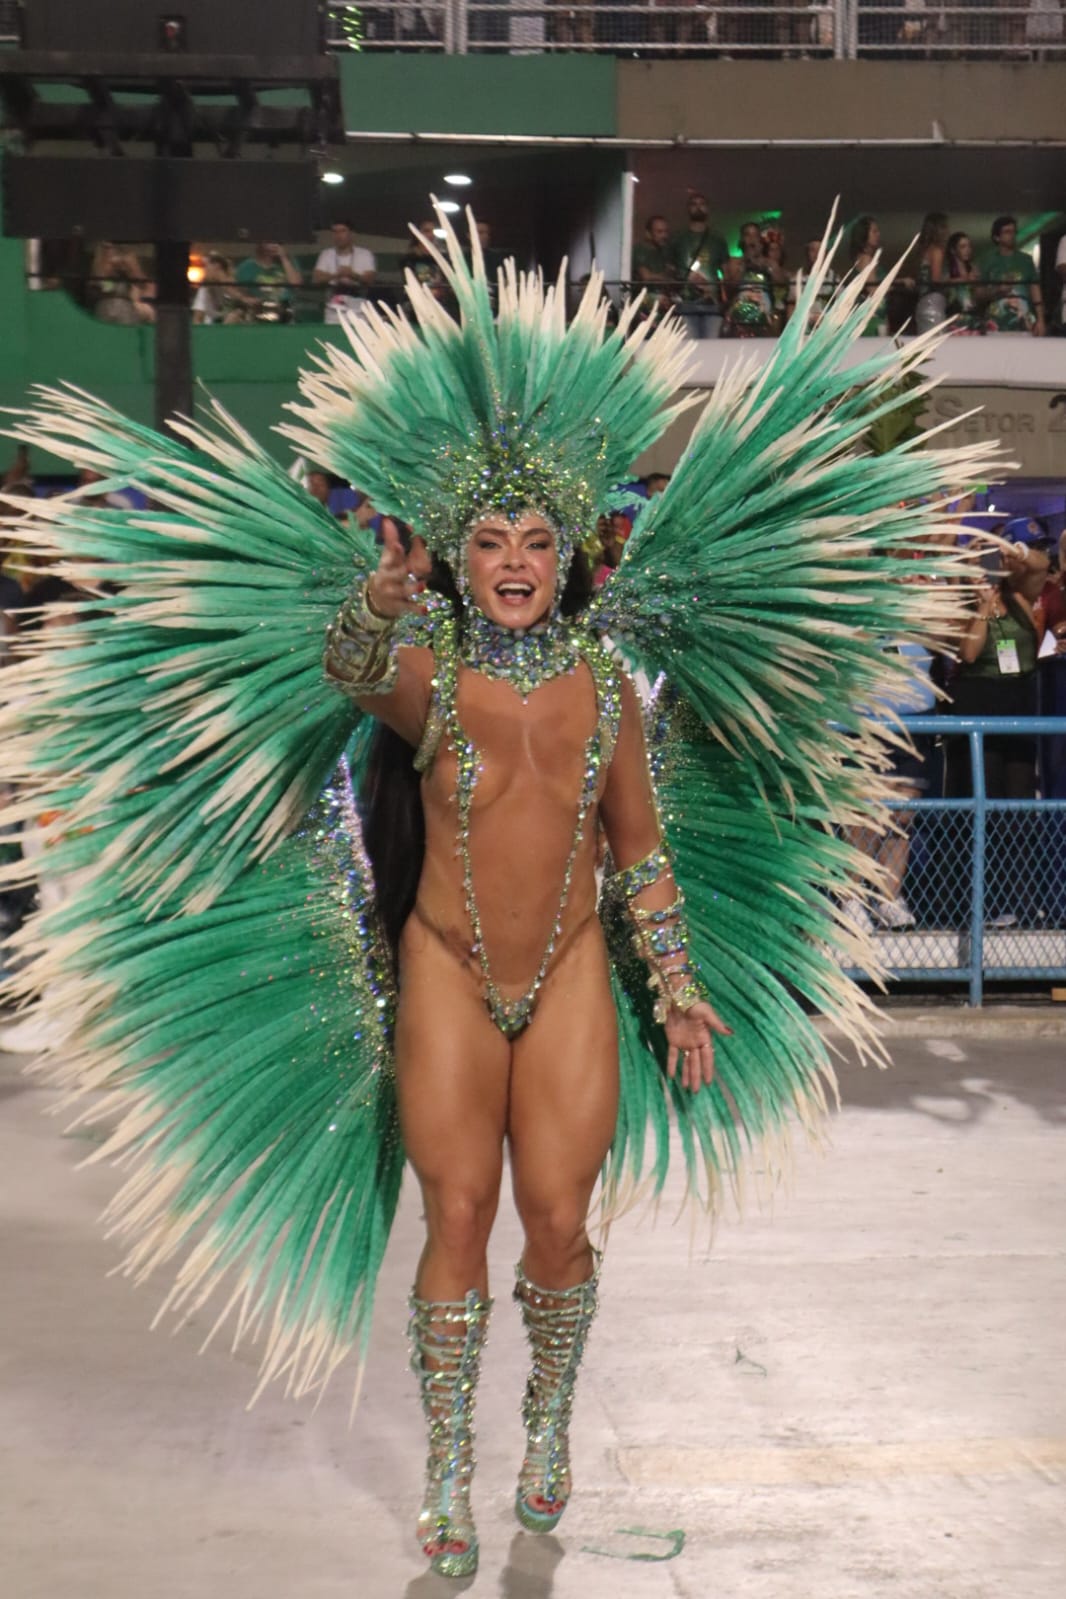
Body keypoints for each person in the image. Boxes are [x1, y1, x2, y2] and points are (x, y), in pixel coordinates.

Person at [0, 210, 1004, 1585]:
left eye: (535, 536)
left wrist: (681, 987)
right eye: (488, 540)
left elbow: (638, 851)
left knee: (558, 1222)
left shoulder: (606, 692)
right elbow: (352, 670)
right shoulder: (427, 673)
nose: (515, 559)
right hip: (445, 973)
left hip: (575, 972)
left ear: (569, 548)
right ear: (457, 557)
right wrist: (378, 594)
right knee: (457, 1215)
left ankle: (545, 1423)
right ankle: (443, 1464)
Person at [670, 191, 729, 339]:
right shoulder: (678, 238)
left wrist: (720, 295)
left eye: (702, 204)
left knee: (712, 346)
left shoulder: (717, 239)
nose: (698, 207)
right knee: (688, 347)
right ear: (688, 208)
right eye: (694, 204)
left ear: (707, 208)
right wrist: (684, 277)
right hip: (685, 302)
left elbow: (726, 272)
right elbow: (669, 267)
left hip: (712, 303)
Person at [978, 216, 1045, 336]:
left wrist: (1040, 319)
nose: (1012, 235)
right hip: (996, 321)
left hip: (1024, 319)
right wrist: (998, 290)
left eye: (1014, 232)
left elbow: (1035, 289)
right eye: (1007, 232)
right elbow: (979, 294)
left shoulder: (1026, 260)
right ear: (997, 237)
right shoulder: (987, 261)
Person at [313, 221, 375, 325]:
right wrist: (336, 275)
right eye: (335, 232)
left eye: (342, 231)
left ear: (352, 234)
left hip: (358, 304)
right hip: (334, 303)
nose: (338, 236)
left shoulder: (365, 254)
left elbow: (370, 279)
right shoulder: (326, 254)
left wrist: (352, 275)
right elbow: (317, 278)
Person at [231, 242, 303, 323]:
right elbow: (234, 290)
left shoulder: (289, 262)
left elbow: (296, 285)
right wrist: (245, 299)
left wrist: (284, 258)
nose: (274, 245)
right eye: (269, 242)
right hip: (258, 310)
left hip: (285, 310)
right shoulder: (247, 267)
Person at [87, 243, 155, 326]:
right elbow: (106, 288)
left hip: (128, 311)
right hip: (106, 309)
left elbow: (145, 287)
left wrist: (131, 268)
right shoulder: (101, 267)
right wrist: (108, 268)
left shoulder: (132, 267)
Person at [945, 232, 981, 333]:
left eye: (969, 246)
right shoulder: (947, 269)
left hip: (972, 316)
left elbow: (978, 294)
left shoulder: (973, 268)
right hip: (953, 317)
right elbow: (943, 283)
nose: (967, 250)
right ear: (953, 250)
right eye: (963, 247)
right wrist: (966, 279)